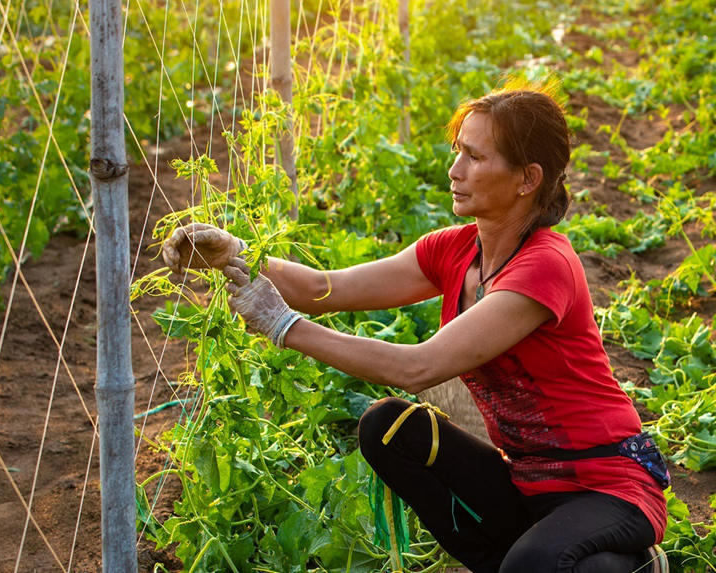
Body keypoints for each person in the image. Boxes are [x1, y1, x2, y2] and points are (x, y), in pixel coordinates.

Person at [162, 86, 669, 573]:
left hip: (606, 484)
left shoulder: (545, 265)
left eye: (474, 157)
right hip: (527, 480)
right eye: (457, 152)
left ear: (527, 178)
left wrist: (283, 326)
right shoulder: (453, 250)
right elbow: (325, 287)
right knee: (389, 429)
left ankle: (632, 564)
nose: (455, 170)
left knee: (539, 564)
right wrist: (235, 255)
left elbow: (418, 367)